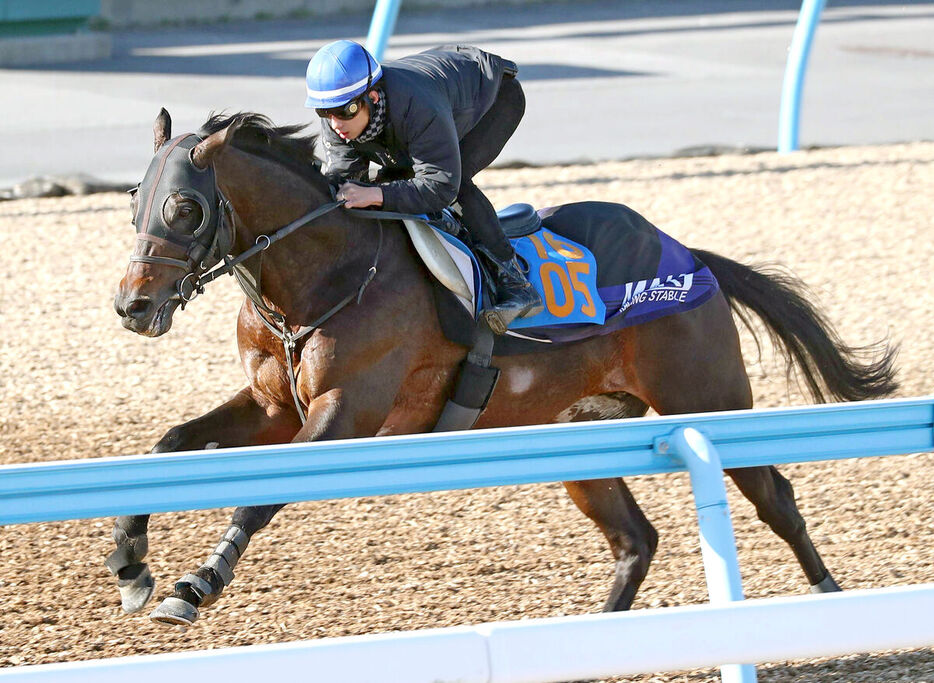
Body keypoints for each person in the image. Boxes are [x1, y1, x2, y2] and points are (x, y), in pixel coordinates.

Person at [304, 39, 543, 334]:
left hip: (492, 100)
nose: (336, 122)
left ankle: (517, 285)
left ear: (373, 97)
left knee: (457, 185)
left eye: (346, 111)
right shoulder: (338, 118)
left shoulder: (417, 107)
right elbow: (345, 182)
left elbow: (440, 186)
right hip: (437, 91)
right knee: (384, 186)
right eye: (325, 112)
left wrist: (378, 194)